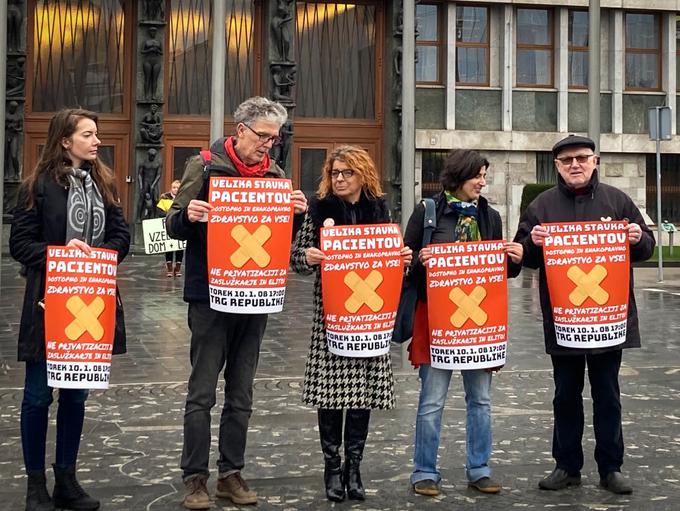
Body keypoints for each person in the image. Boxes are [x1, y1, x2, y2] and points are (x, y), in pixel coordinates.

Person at [166, 96, 307, 510]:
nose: (269, 145)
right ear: (241, 129)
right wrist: (188, 215)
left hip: (255, 295)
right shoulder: (206, 166)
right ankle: (195, 479)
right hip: (210, 296)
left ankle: (231, 473)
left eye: (275, 139)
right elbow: (173, 224)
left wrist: (296, 214)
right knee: (202, 392)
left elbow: (276, 239)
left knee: (242, 392)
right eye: (263, 136)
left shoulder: (275, 175)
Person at [513, 135, 654, 495]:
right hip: (565, 322)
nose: (575, 165)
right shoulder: (542, 206)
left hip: (608, 318)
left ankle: (611, 468)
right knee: (565, 395)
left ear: (596, 161)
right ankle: (567, 466)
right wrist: (534, 244)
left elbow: (646, 248)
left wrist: (638, 237)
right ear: (557, 166)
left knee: (608, 394)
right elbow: (521, 257)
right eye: (566, 160)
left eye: (581, 158)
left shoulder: (617, 200)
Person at [10, 108, 130, 511]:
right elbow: (20, 244)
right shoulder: (37, 186)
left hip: (91, 306)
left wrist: (98, 257)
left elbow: (121, 236)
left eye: (96, 134)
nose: (97, 141)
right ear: (65, 140)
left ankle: (67, 480)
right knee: (38, 396)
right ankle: (34, 486)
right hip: (48, 305)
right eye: (88, 134)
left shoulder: (105, 185)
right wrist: (62, 255)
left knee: (76, 397)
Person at [290, 145, 413, 502]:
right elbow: (295, 258)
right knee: (330, 396)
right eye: (334, 173)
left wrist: (402, 255)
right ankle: (332, 467)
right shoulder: (320, 209)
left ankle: (354, 467)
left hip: (370, 316)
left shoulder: (379, 210)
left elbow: (390, 259)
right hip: (331, 315)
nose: (339, 179)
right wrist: (308, 256)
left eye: (347, 173)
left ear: (363, 175)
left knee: (361, 395)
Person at [403, 149, 523, 497]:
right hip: (438, 320)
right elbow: (406, 261)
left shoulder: (490, 217)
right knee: (431, 401)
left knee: (481, 400)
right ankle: (424, 471)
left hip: (479, 323)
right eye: (478, 176)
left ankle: (480, 469)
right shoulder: (427, 213)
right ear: (458, 177)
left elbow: (499, 272)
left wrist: (513, 260)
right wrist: (419, 259)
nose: (482, 182)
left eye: (485, 176)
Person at [157, 179, 183, 277]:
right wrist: (169, 215)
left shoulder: (183, 198)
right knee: (168, 246)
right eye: (174, 187)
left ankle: (178, 268)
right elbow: (159, 212)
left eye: (178, 188)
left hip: (179, 225)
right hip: (167, 224)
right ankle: (169, 268)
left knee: (180, 247)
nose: (176, 189)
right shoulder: (164, 199)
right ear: (171, 188)